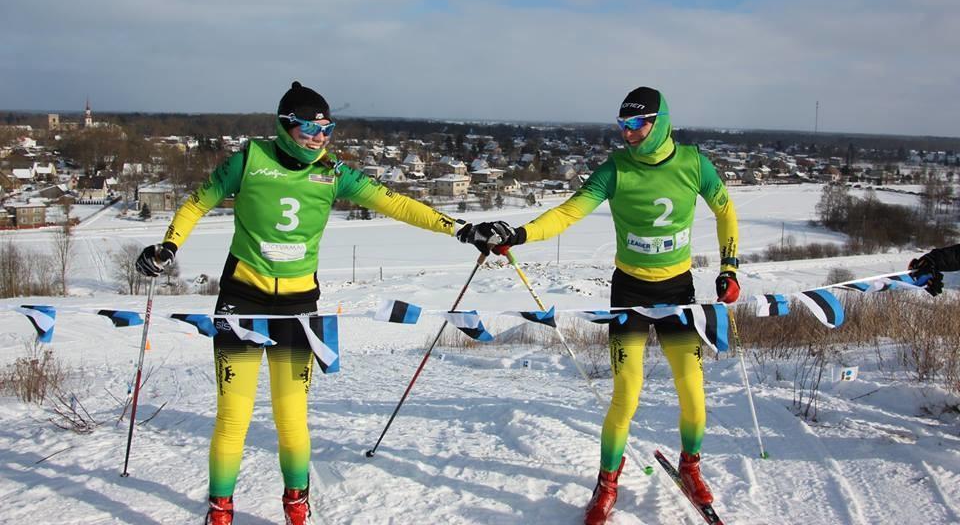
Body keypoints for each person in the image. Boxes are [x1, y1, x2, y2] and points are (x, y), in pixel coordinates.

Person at [135, 82, 464, 525]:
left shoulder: (332, 172)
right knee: (234, 417)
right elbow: (197, 202)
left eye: (327, 130)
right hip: (242, 300)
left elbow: (397, 204)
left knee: (292, 419)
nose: (318, 138)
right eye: (309, 128)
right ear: (284, 126)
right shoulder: (250, 159)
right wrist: (168, 246)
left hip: (298, 307)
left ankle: (296, 505)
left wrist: (460, 228)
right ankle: (219, 511)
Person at [457, 87, 739, 524]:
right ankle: (606, 484)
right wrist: (521, 234)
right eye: (622, 125)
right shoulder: (615, 169)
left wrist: (730, 268)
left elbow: (726, 211)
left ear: (660, 121)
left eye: (636, 125)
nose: (627, 134)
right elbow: (569, 213)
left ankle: (691, 467)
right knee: (626, 393)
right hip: (629, 292)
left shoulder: (693, 163)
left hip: (677, 291)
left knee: (693, 392)